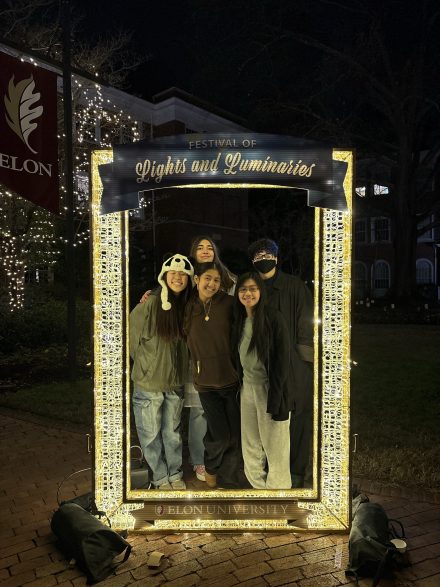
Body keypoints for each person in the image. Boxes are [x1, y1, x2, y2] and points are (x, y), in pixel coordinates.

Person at [139, 235, 236, 483]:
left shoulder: (227, 280)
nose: (205, 251)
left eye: (209, 247)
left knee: (217, 416)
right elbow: (170, 300)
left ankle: (218, 459)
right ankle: (199, 461)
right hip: (190, 359)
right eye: (200, 247)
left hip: (222, 362)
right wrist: (153, 295)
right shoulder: (184, 281)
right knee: (197, 412)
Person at [248, 238, 314, 488]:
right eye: (259, 254)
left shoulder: (295, 287)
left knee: (296, 416)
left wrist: (303, 362)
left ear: (276, 257)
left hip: (293, 363)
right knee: (266, 418)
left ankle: (295, 474)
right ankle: (268, 471)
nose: (264, 258)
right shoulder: (251, 287)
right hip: (260, 363)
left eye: (268, 253)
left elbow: (305, 323)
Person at [129, 254, 194, 490]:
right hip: (149, 384)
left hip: (174, 383)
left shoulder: (185, 306)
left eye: (183, 274)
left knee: (173, 433)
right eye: (173, 273)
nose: (177, 278)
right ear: (164, 275)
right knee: (151, 434)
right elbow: (131, 340)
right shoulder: (150, 303)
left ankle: (174, 474)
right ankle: (159, 477)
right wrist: (147, 365)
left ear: (189, 279)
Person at [232, 271, 292, 489]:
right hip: (247, 388)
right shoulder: (239, 320)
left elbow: (282, 361)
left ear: (261, 291)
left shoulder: (273, 318)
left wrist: (276, 399)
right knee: (251, 444)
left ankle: (278, 494)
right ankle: (258, 489)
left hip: (270, 389)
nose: (248, 293)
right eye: (243, 289)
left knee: (275, 446)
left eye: (253, 288)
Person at [183, 261, 241, 489]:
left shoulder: (228, 303)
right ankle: (211, 465)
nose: (212, 283)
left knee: (234, 436)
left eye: (217, 280)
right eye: (208, 278)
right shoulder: (187, 306)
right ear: (197, 279)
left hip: (231, 380)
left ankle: (228, 480)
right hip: (206, 384)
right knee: (220, 435)